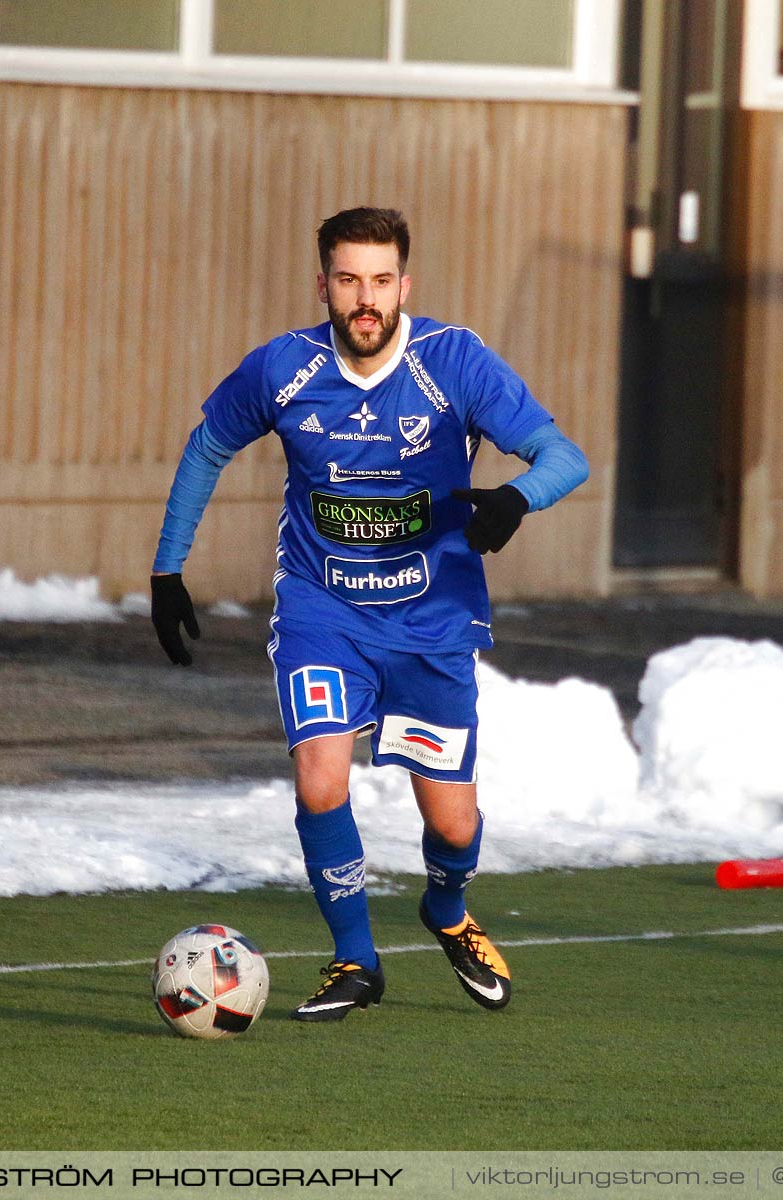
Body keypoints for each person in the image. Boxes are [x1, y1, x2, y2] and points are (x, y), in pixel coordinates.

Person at [150, 207, 588, 1022]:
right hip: (323, 612)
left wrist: (515, 500)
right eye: (348, 280)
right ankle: (355, 957)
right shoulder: (283, 368)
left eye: (381, 281)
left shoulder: (453, 363)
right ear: (324, 284)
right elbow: (207, 446)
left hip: (433, 620)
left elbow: (567, 457)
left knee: (452, 826)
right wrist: (168, 567)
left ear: (404, 286)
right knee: (321, 781)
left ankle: (447, 910)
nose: (365, 299)